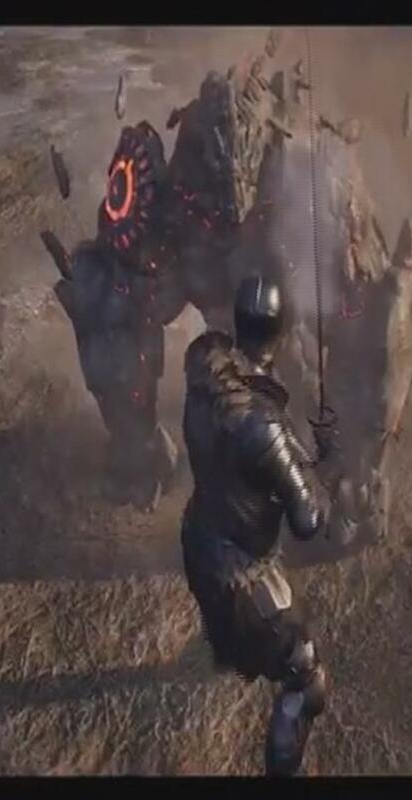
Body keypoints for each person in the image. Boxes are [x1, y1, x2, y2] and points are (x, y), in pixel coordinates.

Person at [180, 274, 338, 776]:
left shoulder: (202, 364)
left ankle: (231, 645)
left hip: (198, 538)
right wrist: (322, 465)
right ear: (282, 332)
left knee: (234, 629)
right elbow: (308, 519)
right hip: (241, 577)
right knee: (306, 681)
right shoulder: (266, 430)